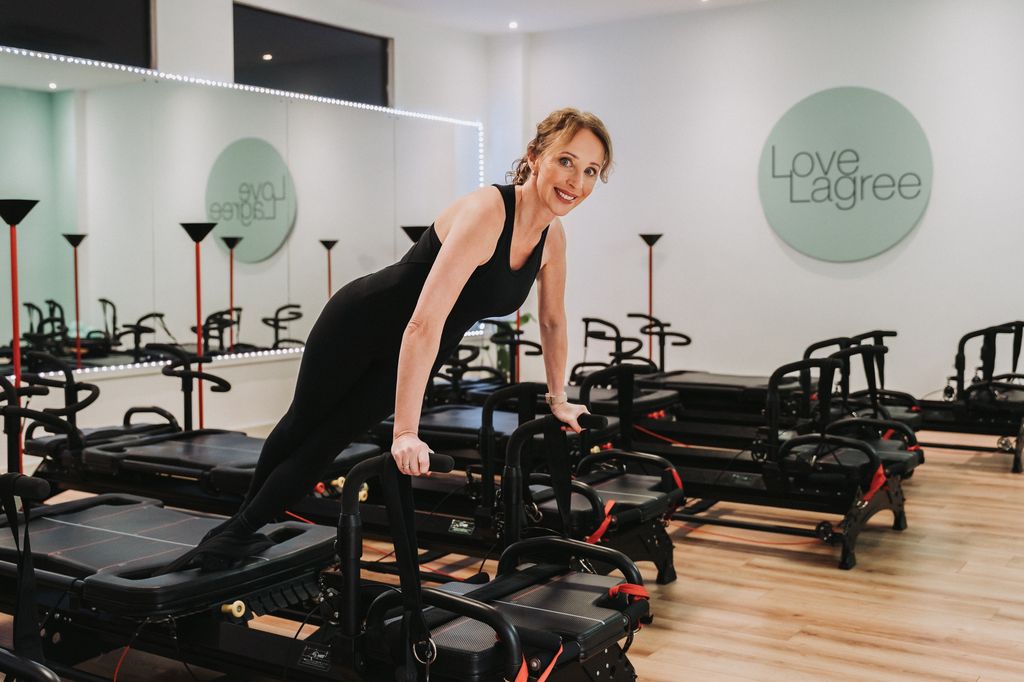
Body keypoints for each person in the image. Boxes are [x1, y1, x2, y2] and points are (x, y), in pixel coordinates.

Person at [161, 107, 613, 572]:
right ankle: (235, 532)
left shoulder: (551, 238)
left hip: (420, 345)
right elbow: (422, 323)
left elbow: (553, 321)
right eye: (566, 161)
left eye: (591, 171)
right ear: (535, 157)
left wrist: (559, 399)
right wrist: (405, 433)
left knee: (331, 439)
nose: (575, 180)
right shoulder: (487, 212)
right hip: (362, 322)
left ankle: (234, 533)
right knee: (303, 424)